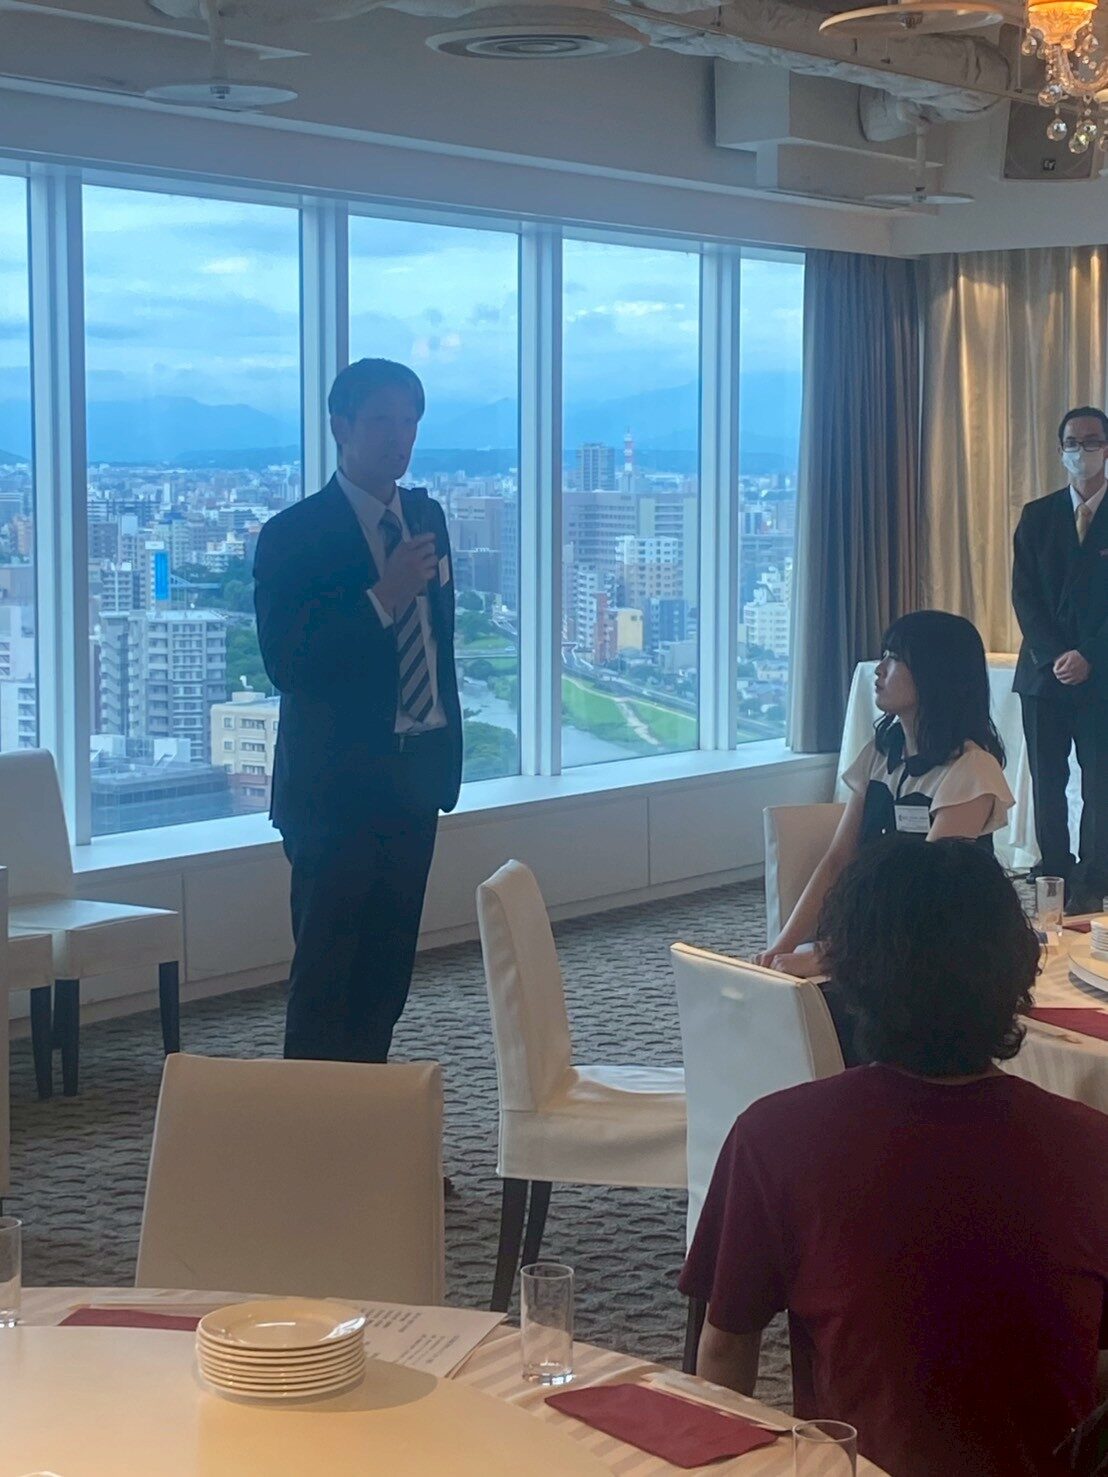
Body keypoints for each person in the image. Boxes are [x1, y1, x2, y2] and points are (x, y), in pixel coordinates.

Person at [682, 837, 1108, 1477]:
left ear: (852, 980)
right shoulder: (1091, 1147)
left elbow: (724, 1355)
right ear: (1017, 973)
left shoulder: (777, 1137)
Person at [253, 358, 462, 1062]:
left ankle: (370, 1115)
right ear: (340, 426)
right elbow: (288, 663)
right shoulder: (294, 534)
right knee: (325, 975)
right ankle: (312, 1128)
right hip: (334, 791)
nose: (399, 437)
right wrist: (383, 597)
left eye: (409, 422)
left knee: (385, 975)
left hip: (416, 778)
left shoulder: (427, 518)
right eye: (381, 421)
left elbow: (438, 640)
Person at [759, 609, 1013, 976]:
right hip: (877, 927)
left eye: (894, 658)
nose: (879, 670)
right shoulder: (880, 753)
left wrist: (833, 955)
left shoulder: (972, 769)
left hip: (939, 940)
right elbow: (837, 860)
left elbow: (928, 889)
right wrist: (780, 947)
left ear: (934, 674)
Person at [1013, 404, 1108, 915]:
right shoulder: (1037, 515)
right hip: (1043, 675)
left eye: (1091, 442)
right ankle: (1054, 870)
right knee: (1047, 782)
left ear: (1106, 450)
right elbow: (1024, 596)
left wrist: (1090, 656)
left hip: (1102, 676)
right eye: (1072, 442)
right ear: (1060, 450)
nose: (1081, 451)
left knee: (1101, 783)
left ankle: (1095, 877)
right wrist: (1056, 656)